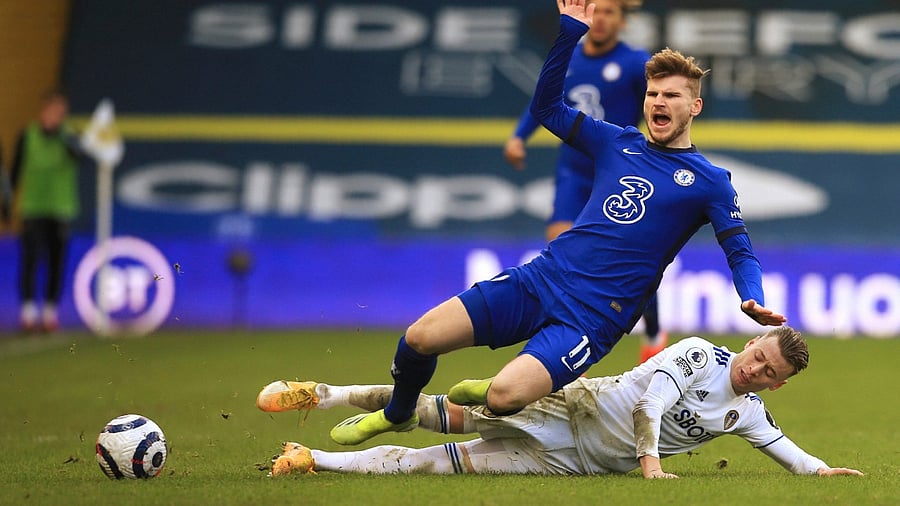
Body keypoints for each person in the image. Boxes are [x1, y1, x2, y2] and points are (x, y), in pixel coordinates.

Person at [325, 0, 786, 447]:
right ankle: (398, 413)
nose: (658, 103)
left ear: (695, 107)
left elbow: (740, 252)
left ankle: (495, 389)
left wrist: (753, 297)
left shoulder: (710, 181)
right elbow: (547, 109)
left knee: (504, 397)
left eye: (671, 96)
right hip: (541, 279)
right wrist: (568, 36)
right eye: (652, 94)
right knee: (419, 338)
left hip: (593, 316)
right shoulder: (616, 142)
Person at [257, 326, 863, 478]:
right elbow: (650, 405)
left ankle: (311, 459)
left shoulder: (747, 412)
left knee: (439, 465)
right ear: (753, 342)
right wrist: (652, 466)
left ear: (777, 384)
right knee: (438, 412)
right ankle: (325, 394)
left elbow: (785, 450)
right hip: (576, 407)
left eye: (769, 373)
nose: (756, 370)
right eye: (760, 356)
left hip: (574, 462)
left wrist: (821, 472)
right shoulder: (700, 354)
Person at [502, 0, 665, 363]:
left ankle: (654, 329)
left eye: (610, 12)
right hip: (573, 171)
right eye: (597, 11)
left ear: (622, 21)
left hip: (617, 174)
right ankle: (566, 344)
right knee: (560, 252)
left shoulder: (635, 63)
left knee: (630, 259)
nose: (601, 19)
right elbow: (542, 100)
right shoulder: (570, 57)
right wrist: (519, 137)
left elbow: (659, 107)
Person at [10, 90, 84, 333]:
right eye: (54, 110)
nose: (57, 115)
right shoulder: (28, 135)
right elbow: (15, 170)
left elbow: (82, 157)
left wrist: (70, 140)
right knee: (30, 260)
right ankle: (28, 312)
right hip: (33, 207)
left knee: (56, 262)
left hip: (60, 208)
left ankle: (50, 312)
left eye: (61, 111)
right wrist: (8, 203)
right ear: (44, 110)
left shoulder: (70, 136)